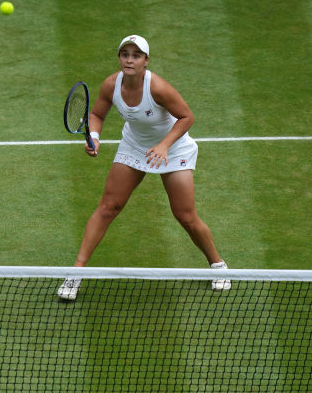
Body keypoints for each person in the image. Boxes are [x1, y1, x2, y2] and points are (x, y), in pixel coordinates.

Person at [58, 34, 229, 300]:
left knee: (185, 215)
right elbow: (97, 115)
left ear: (146, 61)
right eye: (125, 54)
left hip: (174, 149)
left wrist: (163, 146)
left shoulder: (158, 88)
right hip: (134, 146)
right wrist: (96, 137)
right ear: (120, 58)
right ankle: (76, 273)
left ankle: (218, 265)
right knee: (108, 207)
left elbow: (187, 117)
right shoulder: (111, 85)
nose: (129, 59)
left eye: (136, 55)